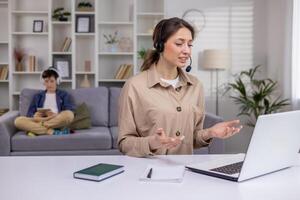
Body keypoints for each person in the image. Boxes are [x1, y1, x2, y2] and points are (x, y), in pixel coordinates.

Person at [118, 17, 242, 157]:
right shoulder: (134, 86)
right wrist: (152, 143)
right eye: (179, 43)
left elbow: (191, 139)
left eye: (189, 45)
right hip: (148, 172)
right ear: (159, 45)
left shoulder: (195, 86)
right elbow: (124, 143)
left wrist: (210, 132)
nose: (186, 51)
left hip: (185, 171)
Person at [14, 67, 75, 136]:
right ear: (43, 82)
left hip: (56, 120)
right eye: (46, 81)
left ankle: (37, 129)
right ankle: (51, 131)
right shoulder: (37, 96)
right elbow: (29, 114)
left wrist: (57, 115)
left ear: (57, 81)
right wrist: (35, 115)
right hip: (40, 120)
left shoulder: (64, 95)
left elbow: (70, 110)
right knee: (18, 121)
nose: (49, 84)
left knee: (69, 114)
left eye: (52, 81)